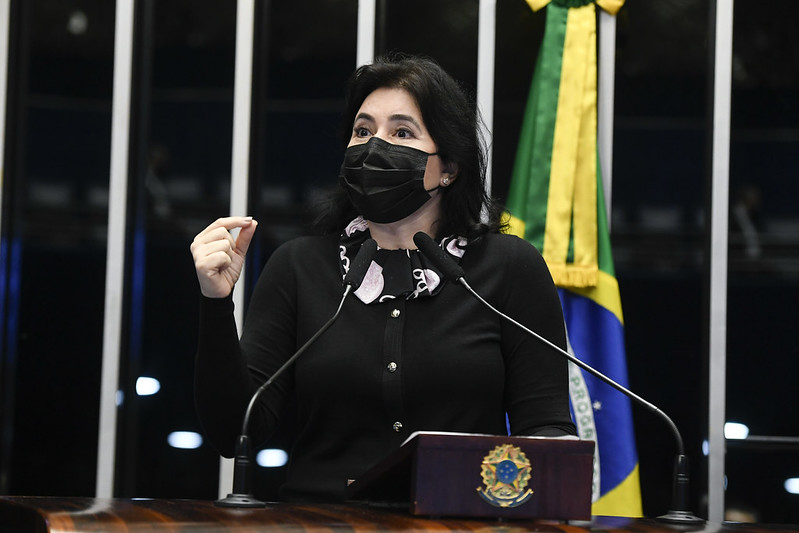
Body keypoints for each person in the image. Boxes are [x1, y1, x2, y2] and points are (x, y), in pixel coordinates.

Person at [191, 55, 576, 503]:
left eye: (402, 132)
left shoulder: (508, 267)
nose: (375, 146)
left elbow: (545, 425)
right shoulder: (299, 266)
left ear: (448, 167)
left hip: (458, 524)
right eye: (362, 130)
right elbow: (235, 433)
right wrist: (215, 302)